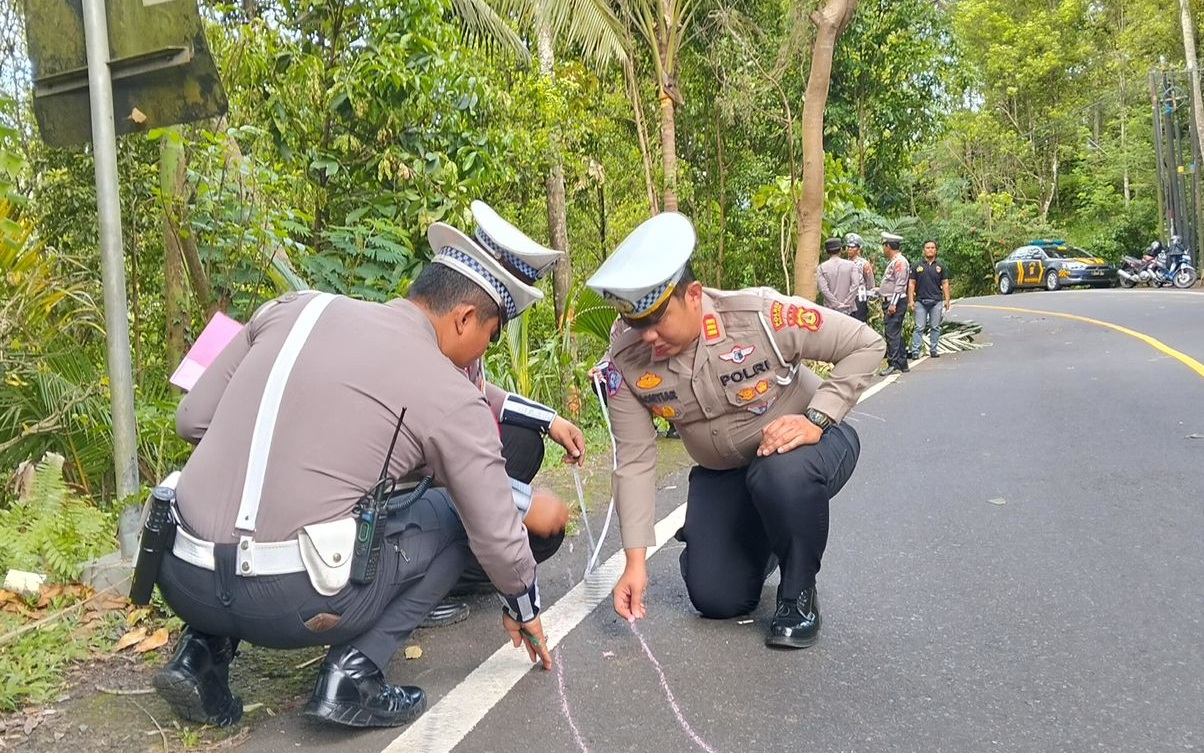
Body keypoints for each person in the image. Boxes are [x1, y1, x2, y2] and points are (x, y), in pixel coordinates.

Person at [152, 226, 554, 731]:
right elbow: (494, 530)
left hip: (183, 577)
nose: (481, 354)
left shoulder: (293, 310)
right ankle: (354, 674)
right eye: (488, 338)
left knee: (242, 491)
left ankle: (200, 655)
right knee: (454, 517)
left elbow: (192, 420)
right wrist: (524, 602)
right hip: (296, 601)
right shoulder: (447, 390)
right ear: (466, 318)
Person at [586, 213, 884, 650]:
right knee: (716, 598)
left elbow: (866, 343)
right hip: (725, 474)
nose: (647, 337)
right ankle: (751, 539)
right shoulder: (626, 359)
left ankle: (798, 593)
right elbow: (634, 459)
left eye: (657, 319)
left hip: (805, 453)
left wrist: (817, 419)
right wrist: (635, 562)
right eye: (636, 324)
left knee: (781, 475)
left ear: (692, 295)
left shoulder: (760, 316)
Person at [437, 201, 584, 604]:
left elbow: (481, 391)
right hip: (410, 497)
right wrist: (520, 503)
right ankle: (425, 582)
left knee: (526, 440)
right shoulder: (434, 342)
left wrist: (551, 419)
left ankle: (468, 553)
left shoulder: (459, 326)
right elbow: (439, 459)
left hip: (445, 475)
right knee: (536, 528)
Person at [907, 239, 951, 359]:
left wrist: (947, 300)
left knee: (935, 327)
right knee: (919, 327)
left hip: (936, 301)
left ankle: (934, 350)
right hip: (920, 301)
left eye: (932, 248)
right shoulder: (917, 266)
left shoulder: (940, 266)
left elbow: (945, 283)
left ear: (936, 250)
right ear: (923, 250)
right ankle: (915, 351)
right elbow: (911, 283)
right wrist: (911, 300)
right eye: (928, 247)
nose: (930, 250)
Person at [877, 232, 909, 376]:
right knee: (895, 332)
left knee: (891, 333)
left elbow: (900, 285)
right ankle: (902, 362)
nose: (883, 249)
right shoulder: (895, 261)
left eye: (884, 246)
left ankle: (894, 363)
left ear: (888, 246)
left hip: (894, 302)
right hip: (891, 300)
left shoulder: (900, 262)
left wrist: (893, 304)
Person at [816, 237, 860, 316]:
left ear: (827, 252)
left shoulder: (821, 268)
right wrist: (847, 302)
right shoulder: (851, 265)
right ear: (840, 250)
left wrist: (836, 304)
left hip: (830, 309)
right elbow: (855, 284)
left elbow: (824, 289)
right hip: (848, 309)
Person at [845, 233, 875, 323]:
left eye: (853, 247)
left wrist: (869, 295)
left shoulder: (864, 264)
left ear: (858, 249)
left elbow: (870, 282)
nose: (850, 249)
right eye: (848, 247)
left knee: (859, 320)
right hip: (847, 296)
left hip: (860, 296)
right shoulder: (844, 263)